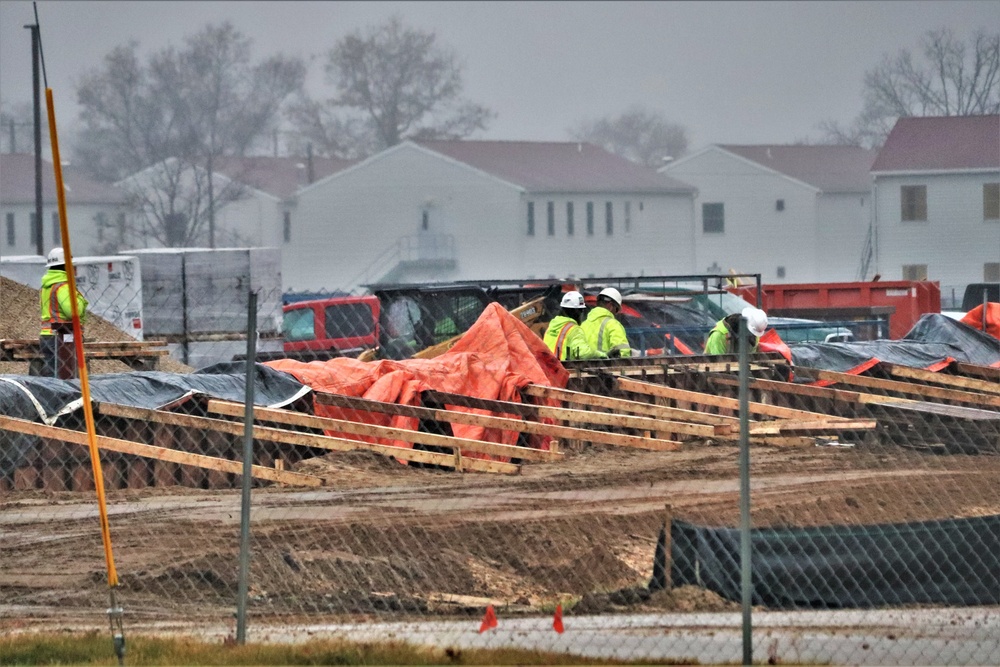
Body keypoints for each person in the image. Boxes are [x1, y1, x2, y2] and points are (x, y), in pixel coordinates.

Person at [38, 247, 88, 378]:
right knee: (65, 377)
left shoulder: (48, 285)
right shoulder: (63, 286)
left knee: (52, 374)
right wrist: (80, 301)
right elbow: (73, 312)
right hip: (63, 337)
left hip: (48, 336)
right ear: (66, 266)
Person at [543, 291, 607, 361]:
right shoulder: (573, 329)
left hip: (548, 369)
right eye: (581, 310)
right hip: (563, 369)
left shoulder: (551, 326)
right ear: (576, 311)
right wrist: (602, 355)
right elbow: (583, 353)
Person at [581, 287, 632, 358]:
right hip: (607, 368)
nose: (616, 313)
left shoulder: (583, 325)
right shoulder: (613, 324)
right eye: (616, 310)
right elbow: (623, 352)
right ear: (611, 306)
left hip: (584, 368)